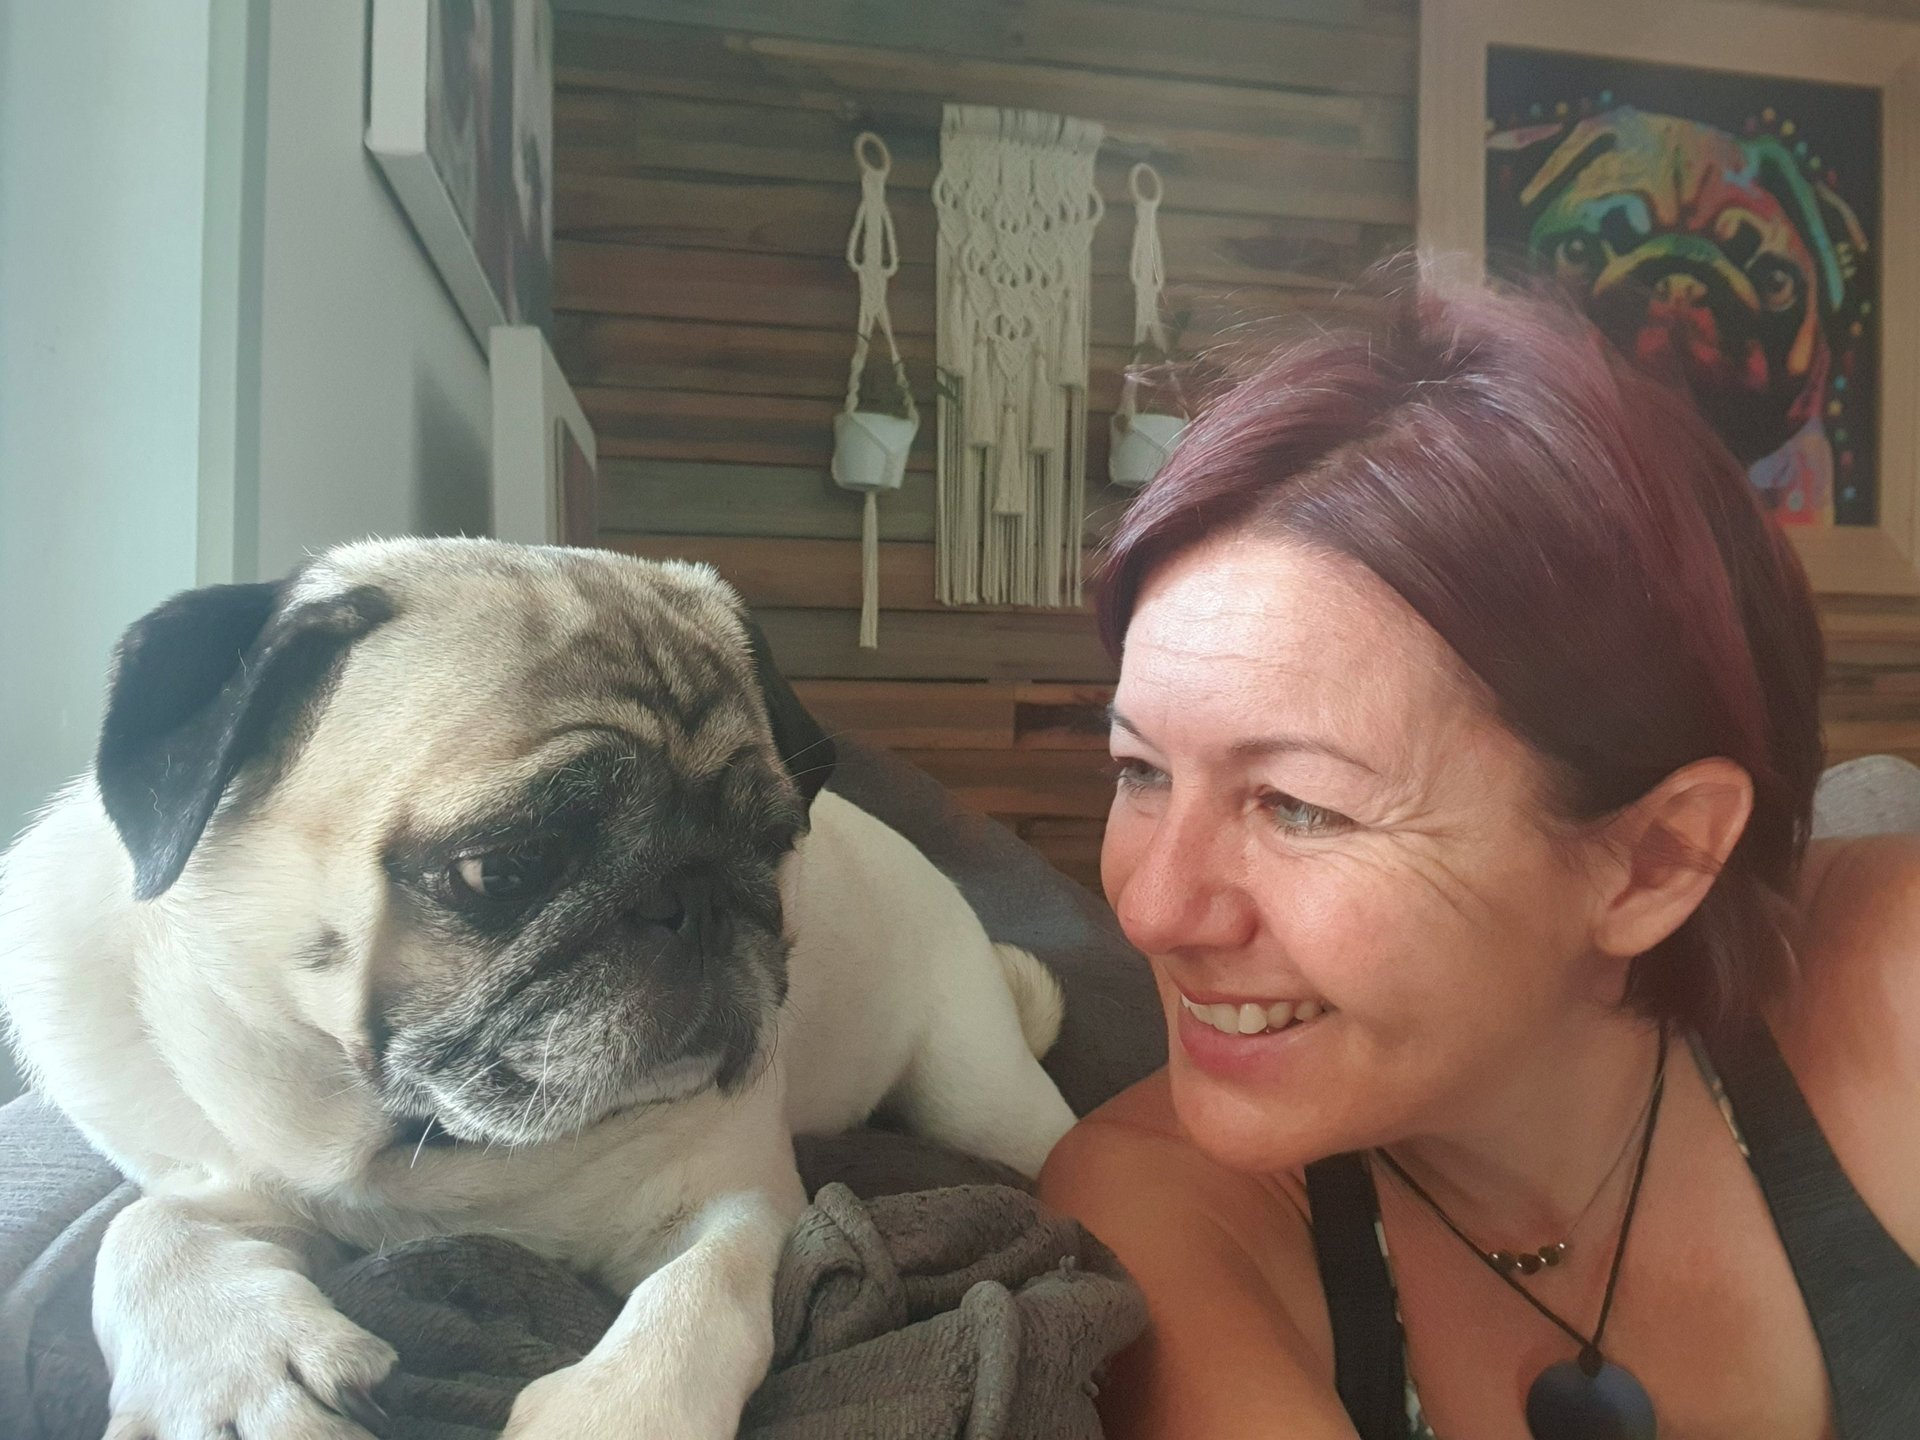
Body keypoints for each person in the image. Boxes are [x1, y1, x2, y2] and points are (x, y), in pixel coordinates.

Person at [1037, 274, 1920, 1440]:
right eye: (1140, 770)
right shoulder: (1154, 1209)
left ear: (1655, 861)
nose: (1151, 910)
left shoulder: (1890, 982)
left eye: (1298, 806)